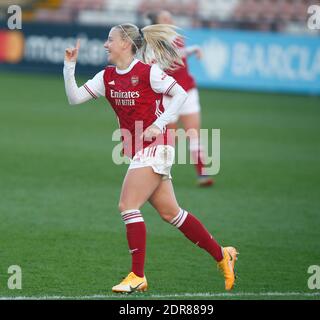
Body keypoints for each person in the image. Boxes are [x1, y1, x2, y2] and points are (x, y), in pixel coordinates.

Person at [63, 23, 238, 293]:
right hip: (139, 149)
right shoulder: (106, 76)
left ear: (125, 44)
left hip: (157, 145)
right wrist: (69, 66)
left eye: (110, 40)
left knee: (127, 205)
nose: (105, 45)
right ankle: (222, 254)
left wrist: (161, 122)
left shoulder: (148, 72)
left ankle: (137, 274)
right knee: (172, 213)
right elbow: (74, 98)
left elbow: (180, 93)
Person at [147, 11, 214, 187]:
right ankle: (160, 174)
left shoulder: (175, 36)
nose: (169, 20)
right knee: (171, 137)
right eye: (164, 19)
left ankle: (203, 175)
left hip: (188, 90)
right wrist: (192, 50)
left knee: (193, 133)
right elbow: (166, 59)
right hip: (168, 96)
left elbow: (178, 54)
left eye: (170, 18)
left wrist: (192, 49)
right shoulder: (152, 42)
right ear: (156, 23)